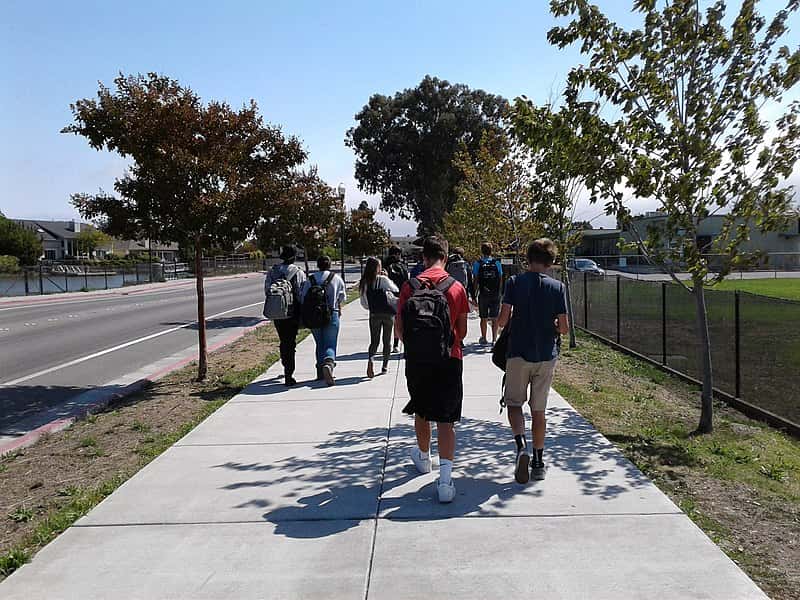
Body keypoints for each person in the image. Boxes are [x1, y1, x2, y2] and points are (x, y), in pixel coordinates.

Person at [395, 236, 469, 503]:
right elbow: (461, 331)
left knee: (422, 409)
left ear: (423, 258)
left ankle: (424, 458)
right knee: (446, 420)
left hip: (418, 361)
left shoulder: (409, 286)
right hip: (450, 359)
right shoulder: (456, 287)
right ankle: (446, 482)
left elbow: (400, 331)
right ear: (445, 258)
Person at [496, 239, 569, 483]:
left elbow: (503, 320)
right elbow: (565, 328)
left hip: (518, 353)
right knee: (539, 411)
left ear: (528, 258)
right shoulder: (558, 287)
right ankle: (538, 463)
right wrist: (554, 326)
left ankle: (521, 446)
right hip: (546, 356)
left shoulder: (514, 283)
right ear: (551, 262)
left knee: (514, 404)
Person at [301, 254, 347, 386]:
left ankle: (320, 372)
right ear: (330, 264)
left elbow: (303, 297)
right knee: (330, 343)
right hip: (332, 314)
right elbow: (342, 298)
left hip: (313, 315)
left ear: (318, 265)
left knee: (319, 343)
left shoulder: (310, 279)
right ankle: (329, 364)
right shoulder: (336, 278)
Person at [264, 247, 307, 386]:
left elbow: (267, 290)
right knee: (290, 342)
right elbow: (301, 293)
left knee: (283, 340)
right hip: (292, 312)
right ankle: (289, 374)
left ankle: (285, 362)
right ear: (294, 257)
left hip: (277, 312)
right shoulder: (298, 272)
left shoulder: (273, 271)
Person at [359, 256, 399, 378]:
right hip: (388, 313)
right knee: (386, 341)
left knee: (374, 341)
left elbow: (364, 302)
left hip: (374, 314)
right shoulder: (382, 279)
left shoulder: (365, 281)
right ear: (377, 267)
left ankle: (371, 359)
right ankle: (384, 366)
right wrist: (386, 277)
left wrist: (371, 308)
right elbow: (395, 289)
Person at [472, 242, 503, 345]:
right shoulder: (497, 263)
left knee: (483, 318)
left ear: (482, 251)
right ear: (491, 251)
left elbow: (476, 280)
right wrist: (500, 293)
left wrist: (473, 295)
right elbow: (500, 278)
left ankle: (484, 338)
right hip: (495, 294)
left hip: (483, 294)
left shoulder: (478, 263)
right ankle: (494, 340)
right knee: (495, 318)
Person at [384, 246, 409, 352]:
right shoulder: (403, 266)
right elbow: (406, 282)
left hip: (386, 296)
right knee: (397, 321)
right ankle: (395, 344)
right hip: (399, 296)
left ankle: (387, 344)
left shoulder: (384, 266)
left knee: (387, 322)